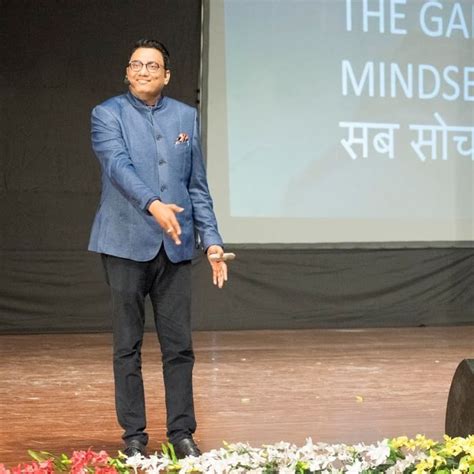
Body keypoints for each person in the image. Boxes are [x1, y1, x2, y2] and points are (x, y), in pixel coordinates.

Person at [88, 39, 228, 458]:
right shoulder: (106, 114)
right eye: (136, 64)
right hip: (125, 243)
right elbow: (118, 166)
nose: (144, 70)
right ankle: (133, 436)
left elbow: (196, 185)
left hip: (177, 246)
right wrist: (152, 204)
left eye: (153, 65)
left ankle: (181, 433)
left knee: (179, 346)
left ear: (166, 75)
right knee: (127, 346)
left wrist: (213, 241)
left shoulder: (186, 116)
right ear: (127, 72)